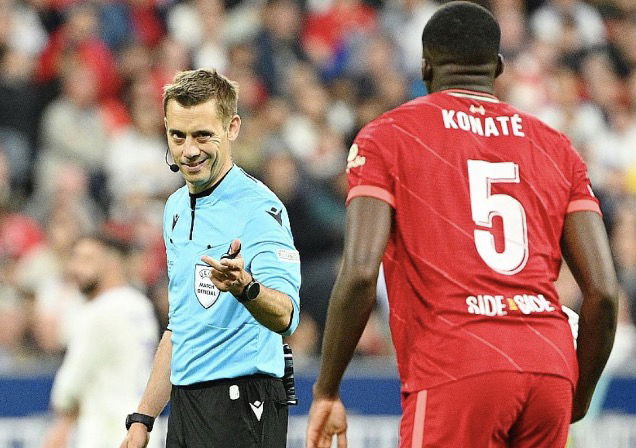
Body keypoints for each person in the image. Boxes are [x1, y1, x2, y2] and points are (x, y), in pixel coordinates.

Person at [305, 2, 619, 448]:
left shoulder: (389, 136)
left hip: (458, 362)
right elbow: (604, 292)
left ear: (426, 66)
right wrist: (577, 392)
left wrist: (327, 389)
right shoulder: (556, 147)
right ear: (498, 67)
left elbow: (358, 273)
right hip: (547, 364)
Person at [120, 69, 301, 448]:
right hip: (187, 404)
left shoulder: (259, 209)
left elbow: (286, 316)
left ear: (232, 127)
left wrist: (247, 289)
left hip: (244, 401)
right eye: (178, 136)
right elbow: (181, 325)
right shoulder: (174, 208)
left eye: (203, 135)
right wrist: (144, 418)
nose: (189, 150)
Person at [43, 236, 159, 448]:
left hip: (107, 432)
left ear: (112, 263)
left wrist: (61, 421)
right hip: (144, 428)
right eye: (74, 259)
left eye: (87, 260)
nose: (75, 268)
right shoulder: (140, 304)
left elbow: (68, 387)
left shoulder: (99, 311)